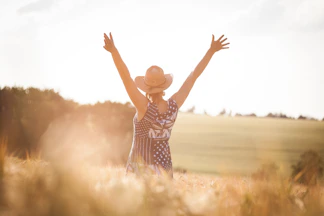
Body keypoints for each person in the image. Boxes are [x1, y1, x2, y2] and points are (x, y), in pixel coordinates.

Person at [103, 32, 229, 178]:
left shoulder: (143, 106)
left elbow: (125, 76)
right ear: (164, 85)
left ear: (145, 86)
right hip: (164, 169)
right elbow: (193, 76)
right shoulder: (174, 105)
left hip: (141, 169)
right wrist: (211, 51)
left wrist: (114, 51)